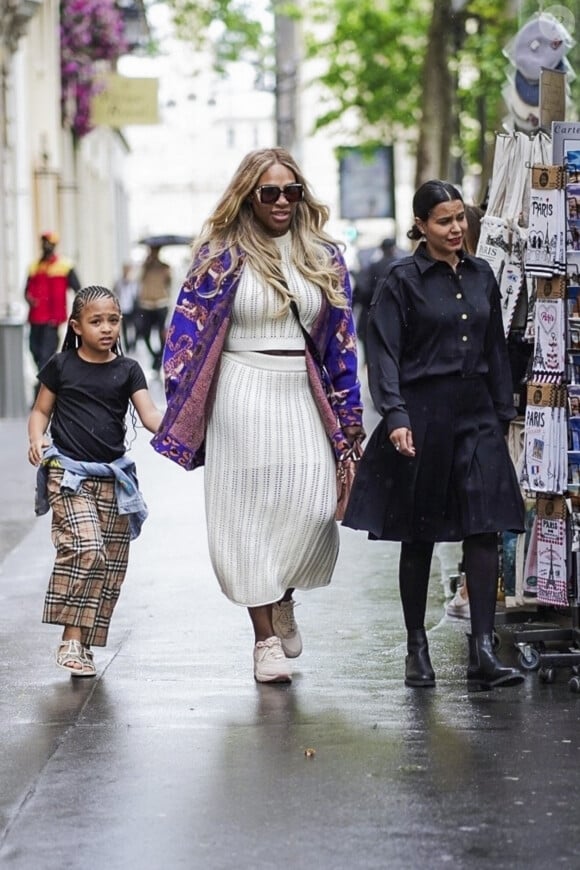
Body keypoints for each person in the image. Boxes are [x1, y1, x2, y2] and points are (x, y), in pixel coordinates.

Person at [151, 147, 364, 684]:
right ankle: (263, 638)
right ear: (249, 195)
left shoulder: (323, 256)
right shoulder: (219, 255)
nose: (282, 202)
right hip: (241, 393)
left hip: (302, 392)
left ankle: (283, 595)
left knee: (313, 508)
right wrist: (185, 402)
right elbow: (183, 334)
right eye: (270, 192)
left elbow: (341, 343)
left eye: (291, 191)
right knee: (249, 515)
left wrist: (351, 417)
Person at [343, 180, 526, 693]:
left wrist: (503, 411)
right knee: (419, 530)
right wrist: (395, 415)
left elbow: (495, 348)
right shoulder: (401, 279)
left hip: (477, 413)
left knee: (485, 525)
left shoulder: (482, 273)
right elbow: (382, 353)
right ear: (420, 225)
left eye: (459, 219)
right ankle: (416, 647)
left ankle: (483, 650)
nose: (455, 229)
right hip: (422, 415)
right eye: (443, 221)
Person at [27, 285, 163, 677]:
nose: (107, 328)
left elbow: (151, 415)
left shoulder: (128, 369)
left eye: (114, 320)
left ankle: (82, 647)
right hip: (67, 473)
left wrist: (187, 432)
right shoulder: (61, 365)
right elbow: (40, 410)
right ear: (76, 325)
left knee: (110, 567)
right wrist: (37, 437)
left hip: (113, 478)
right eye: (96, 321)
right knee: (88, 549)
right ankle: (70, 638)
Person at [24, 231, 81, 374]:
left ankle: (43, 386)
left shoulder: (65, 266)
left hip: (52, 319)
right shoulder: (34, 267)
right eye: (44, 243)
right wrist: (29, 298)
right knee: (33, 349)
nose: (46, 246)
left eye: (49, 244)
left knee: (46, 354)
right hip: (35, 318)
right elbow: (26, 290)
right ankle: (45, 379)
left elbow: (77, 289)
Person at [353, 238, 404, 361]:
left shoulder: (374, 267)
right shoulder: (401, 266)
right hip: (397, 317)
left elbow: (364, 291)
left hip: (374, 316)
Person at [135, 245, 172, 370]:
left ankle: (160, 356)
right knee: (145, 333)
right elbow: (138, 279)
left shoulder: (165, 267)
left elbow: (169, 282)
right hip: (146, 305)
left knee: (162, 333)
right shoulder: (145, 267)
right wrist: (146, 263)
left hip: (161, 304)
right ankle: (155, 355)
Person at [113, 262, 140, 352]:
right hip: (122, 308)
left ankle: (133, 344)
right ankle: (128, 346)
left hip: (132, 308)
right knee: (124, 328)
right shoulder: (118, 282)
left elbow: (137, 295)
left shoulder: (134, 283)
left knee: (135, 327)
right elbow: (114, 293)